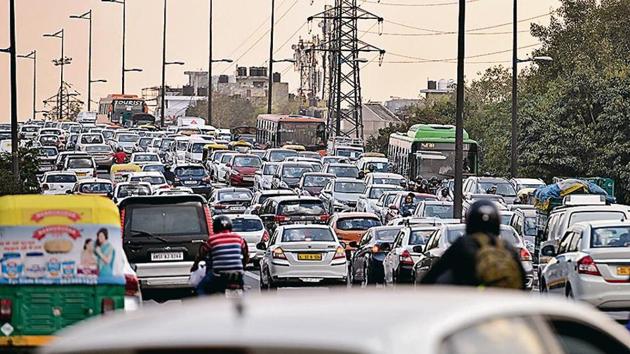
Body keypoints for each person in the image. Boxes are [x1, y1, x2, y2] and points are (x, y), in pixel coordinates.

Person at [420, 200, 526, 289]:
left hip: (468, 306)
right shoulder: (506, 247)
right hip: (501, 308)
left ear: (470, 222)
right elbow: (523, 281)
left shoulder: (462, 244)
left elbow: (433, 275)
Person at [192, 215, 249, 295]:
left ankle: (204, 307)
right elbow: (246, 254)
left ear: (215, 227)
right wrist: (243, 267)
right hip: (237, 274)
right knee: (243, 288)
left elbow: (200, 255)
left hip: (219, 274)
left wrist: (194, 266)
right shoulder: (238, 238)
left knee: (200, 288)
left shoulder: (212, 239)